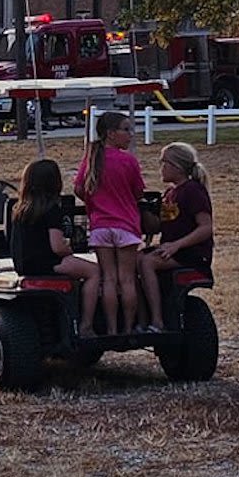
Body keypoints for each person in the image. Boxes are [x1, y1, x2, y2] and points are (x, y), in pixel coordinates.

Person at [74, 111, 150, 334]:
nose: (130, 135)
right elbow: (138, 192)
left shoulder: (91, 159)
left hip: (100, 226)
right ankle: (128, 327)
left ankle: (111, 328)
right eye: (126, 130)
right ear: (111, 134)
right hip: (126, 225)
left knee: (108, 279)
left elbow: (79, 188)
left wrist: (93, 202)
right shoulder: (128, 161)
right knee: (126, 280)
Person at [9, 157, 103, 338]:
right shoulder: (52, 210)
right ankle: (86, 325)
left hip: (25, 264)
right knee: (94, 272)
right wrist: (70, 249)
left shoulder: (20, 209)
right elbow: (57, 247)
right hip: (48, 263)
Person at [141, 141, 214, 331]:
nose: (161, 168)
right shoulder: (170, 193)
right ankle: (141, 313)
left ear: (177, 167)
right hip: (172, 249)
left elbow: (205, 227)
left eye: (163, 163)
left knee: (147, 263)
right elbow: (158, 225)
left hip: (190, 252)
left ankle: (157, 320)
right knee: (134, 259)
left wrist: (176, 245)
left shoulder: (192, 191)